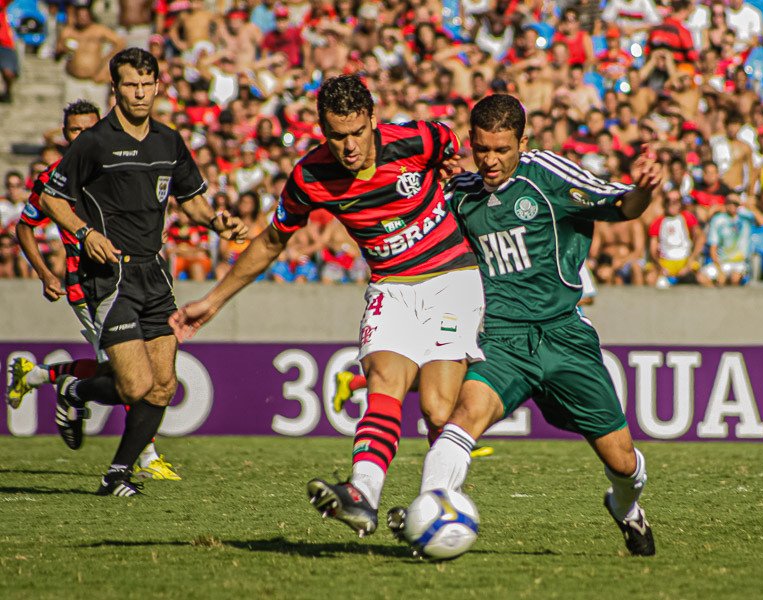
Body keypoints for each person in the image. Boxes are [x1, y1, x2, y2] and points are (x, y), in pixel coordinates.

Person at [168, 75, 485, 536]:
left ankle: (432, 507)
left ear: (373, 120)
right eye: (337, 136)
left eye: (357, 132)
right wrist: (214, 301)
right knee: (383, 379)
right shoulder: (311, 176)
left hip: (451, 279)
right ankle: (363, 494)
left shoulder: (418, 138)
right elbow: (272, 241)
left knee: (438, 410)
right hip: (390, 286)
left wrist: (452, 171)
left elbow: (452, 149)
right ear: (322, 130)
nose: (349, 146)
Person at [385, 94, 661, 556]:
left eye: (502, 150)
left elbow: (623, 206)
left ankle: (626, 507)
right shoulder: (461, 194)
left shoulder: (548, 176)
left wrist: (644, 191)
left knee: (623, 462)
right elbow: (412, 224)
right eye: (481, 149)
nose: (491, 160)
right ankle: (427, 514)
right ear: (470, 143)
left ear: (523, 143)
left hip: (563, 336)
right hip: (502, 340)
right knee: (462, 419)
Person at [40, 48, 247, 497]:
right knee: (136, 386)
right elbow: (50, 199)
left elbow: (191, 199)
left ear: (157, 86)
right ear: (115, 88)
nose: (139, 92)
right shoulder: (94, 141)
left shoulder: (168, 141)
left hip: (155, 275)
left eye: (146, 84)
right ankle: (76, 392)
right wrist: (84, 232)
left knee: (164, 386)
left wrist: (216, 222)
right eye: (130, 84)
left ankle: (116, 474)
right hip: (110, 277)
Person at [8, 100, 181, 481]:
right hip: (89, 286)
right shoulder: (55, 179)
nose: (84, 136)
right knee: (130, 376)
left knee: (120, 370)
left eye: (90, 128)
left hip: (135, 279)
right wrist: (44, 274)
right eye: (75, 130)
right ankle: (146, 456)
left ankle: (43, 378)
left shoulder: (118, 167)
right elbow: (25, 226)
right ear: (65, 135)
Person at [56, 0, 124, 109]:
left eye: (85, 15)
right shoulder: (68, 31)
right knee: (71, 112)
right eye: (80, 15)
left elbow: (120, 43)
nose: (82, 18)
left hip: (94, 81)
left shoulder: (98, 30)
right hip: (73, 80)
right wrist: (63, 49)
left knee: (98, 112)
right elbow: (57, 52)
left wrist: (106, 63)